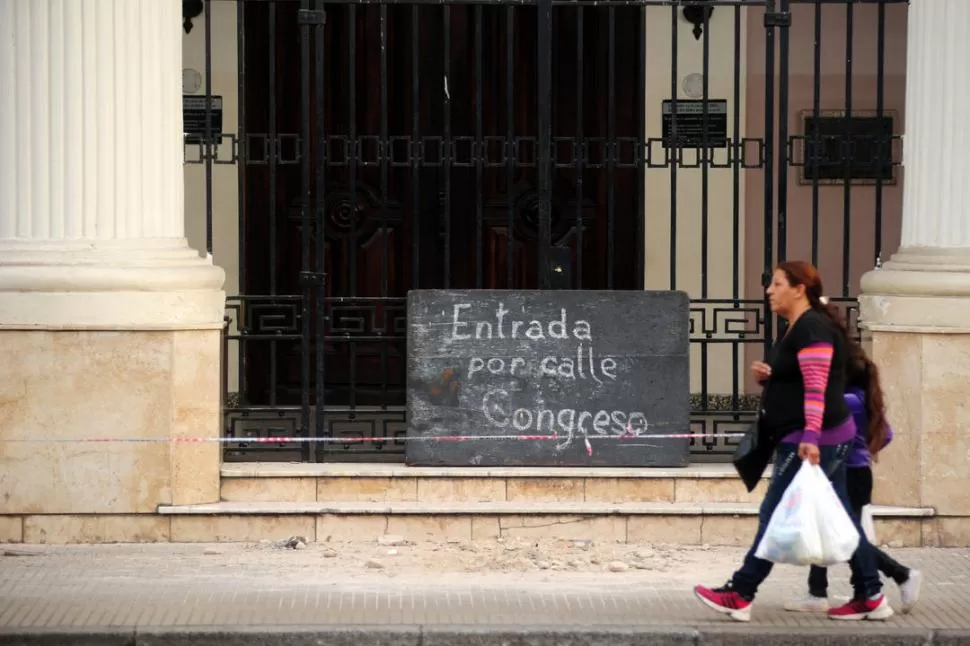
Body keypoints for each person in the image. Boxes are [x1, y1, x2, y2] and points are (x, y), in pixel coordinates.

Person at [693, 260, 892, 622]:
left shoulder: (811, 328)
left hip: (811, 438)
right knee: (845, 519)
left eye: (778, 283)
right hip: (820, 435)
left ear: (799, 289)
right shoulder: (799, 326)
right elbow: (805, 379)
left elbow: (816, 388)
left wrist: (811, 437)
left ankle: (741, 592)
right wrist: (771, 377)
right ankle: (870, 593)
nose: (769, 290)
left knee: (774, 514)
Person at [785, 342, 922, 614]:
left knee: (846, 538)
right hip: (856, 471)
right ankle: (818, 591)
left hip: (846, 474)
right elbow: (888, 435)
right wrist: (863, 451)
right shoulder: (863, 398)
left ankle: (899, 574)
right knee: (826, 531)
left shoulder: (845, 401)